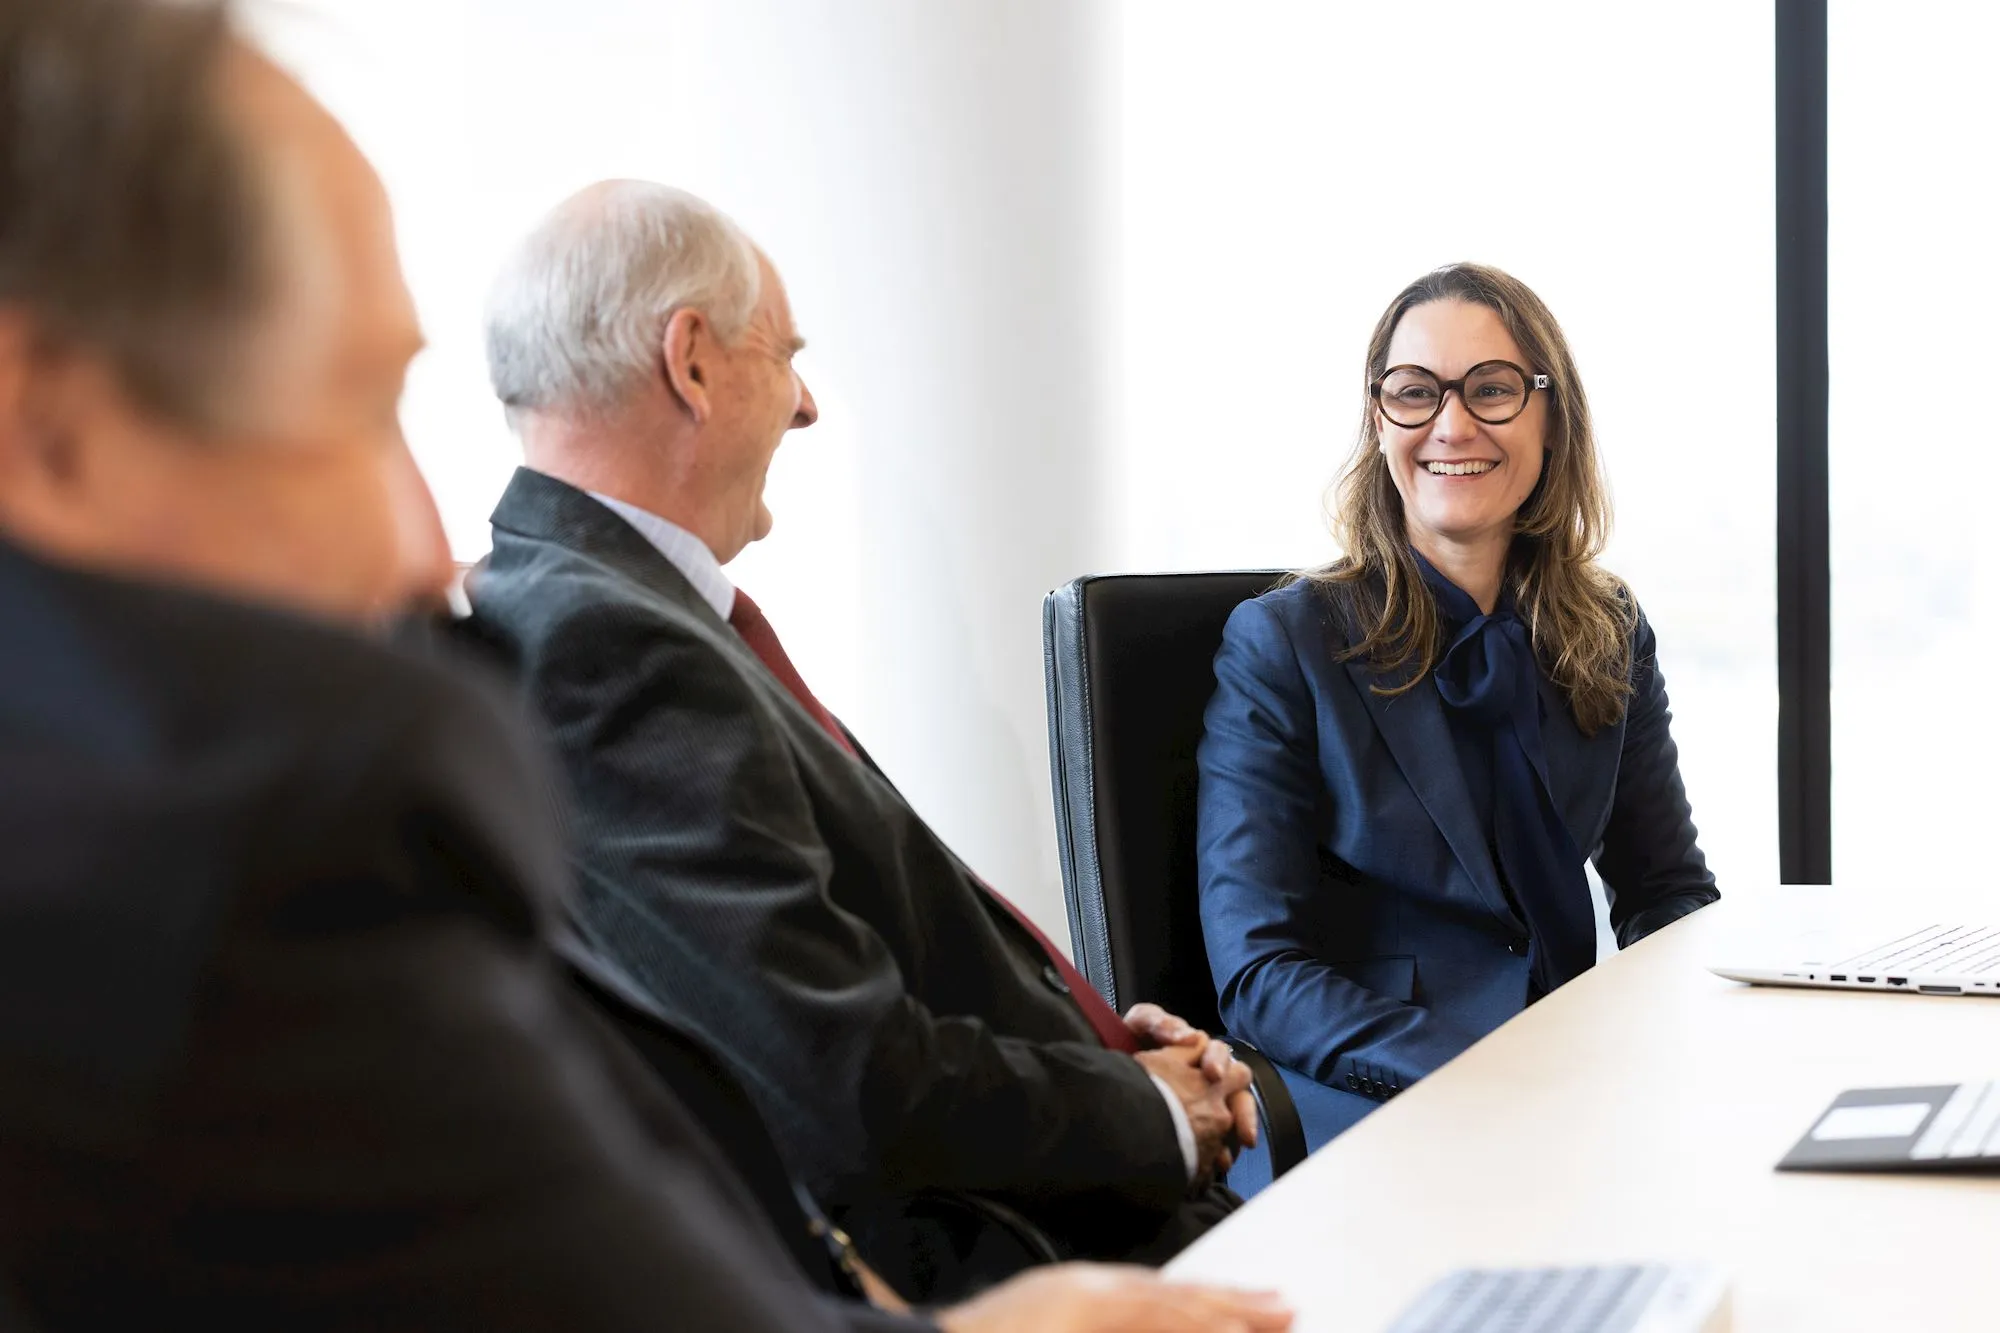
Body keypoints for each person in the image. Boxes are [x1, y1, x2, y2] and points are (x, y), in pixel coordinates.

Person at [0, 4, 1294, 1330]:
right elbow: (821, 1091)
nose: (427, 544)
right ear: (47, 431)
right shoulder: (265, 886)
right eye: (356, 406)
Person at [465, 180, 1255, 1296]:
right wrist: (1140, 1109)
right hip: (1029, 1269)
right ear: (689, 362)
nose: (806, 407)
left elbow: (857, 967)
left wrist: (1099, 1046)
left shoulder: (625, 613)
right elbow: (831, 1077)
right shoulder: (604, 640)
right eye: (783, 353)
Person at [1196, 263, 1719, 1164]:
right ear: (1378, 421)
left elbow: (1666, 891)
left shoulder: (1608, 630)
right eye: (1415, 392)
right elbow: (1260, 971)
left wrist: (1671, 1035)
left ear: (1552, 417)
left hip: (1576, 1088)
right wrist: (1490, 1070)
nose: (1452, 423)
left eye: (1492, 389)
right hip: (1375, 1106)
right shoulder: (1285, 643)